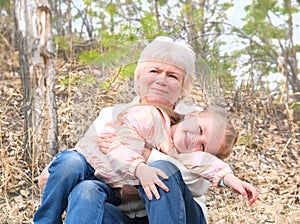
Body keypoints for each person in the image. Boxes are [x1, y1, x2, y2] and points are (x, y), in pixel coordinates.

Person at [34, 36, 209, 224]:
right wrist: (60, 171)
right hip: (120, 214)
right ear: (139, 76)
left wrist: (145, 158)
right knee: (85, 189)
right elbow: (87, 157)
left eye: (172, 75)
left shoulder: (195, 120)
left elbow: (199, 180)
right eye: (154, 71)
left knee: (163, 169)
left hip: (178, 214)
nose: (161, 80)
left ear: (183, 87)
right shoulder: (111, 115)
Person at [107, 104, 258, 205]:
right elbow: (121, 144)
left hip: (113, 193)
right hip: (94, 161)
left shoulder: (184, 156)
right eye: (200, 130)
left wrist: (229, 179)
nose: (194, 141)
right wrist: (140, 165)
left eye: (203, 146)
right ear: (192, 116)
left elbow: (209, 165)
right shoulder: (154, 119)